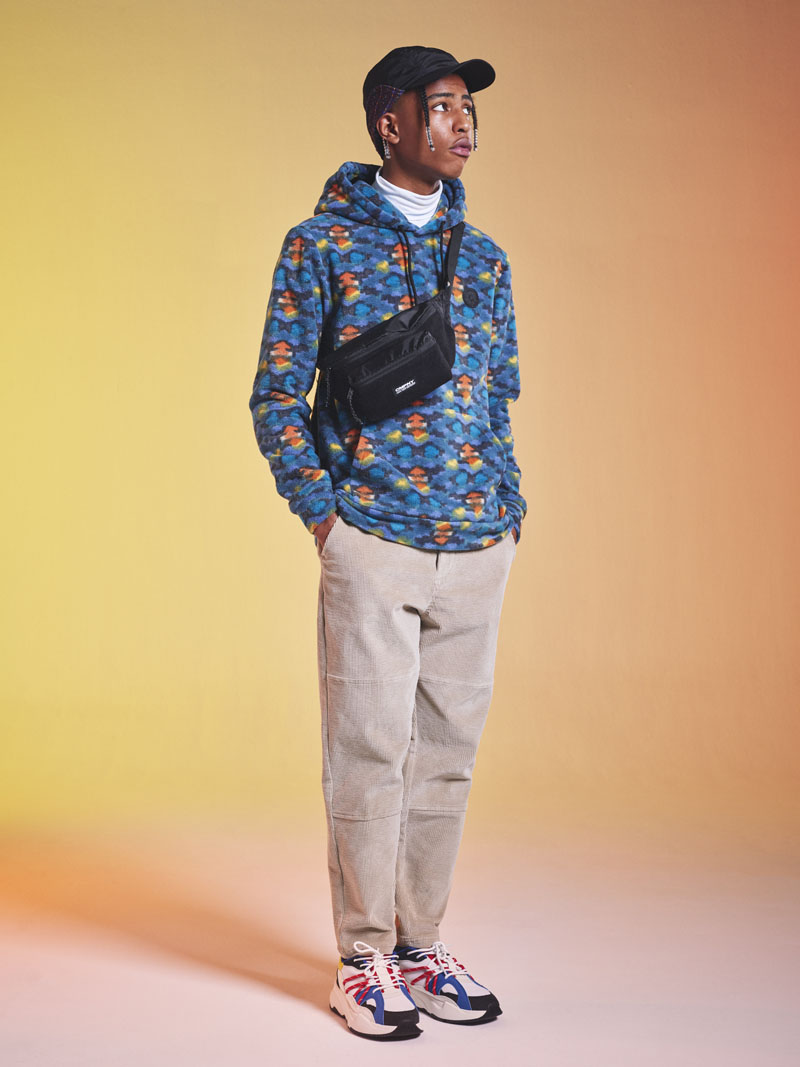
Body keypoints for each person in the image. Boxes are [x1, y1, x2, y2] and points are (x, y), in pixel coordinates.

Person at [249, 45, 526, 1041]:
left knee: (446, 758)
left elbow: (499, 396)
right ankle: (362, 957)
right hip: (371, 537)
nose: (463, 124)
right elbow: (276, 397)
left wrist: (509, 507)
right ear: (389, 124)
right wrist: (326, 516)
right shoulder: (319, 244)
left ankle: (420, 944)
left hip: (478, 543)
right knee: (367, 751)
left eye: (468, 110)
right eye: (442, 107)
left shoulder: (485, 260)